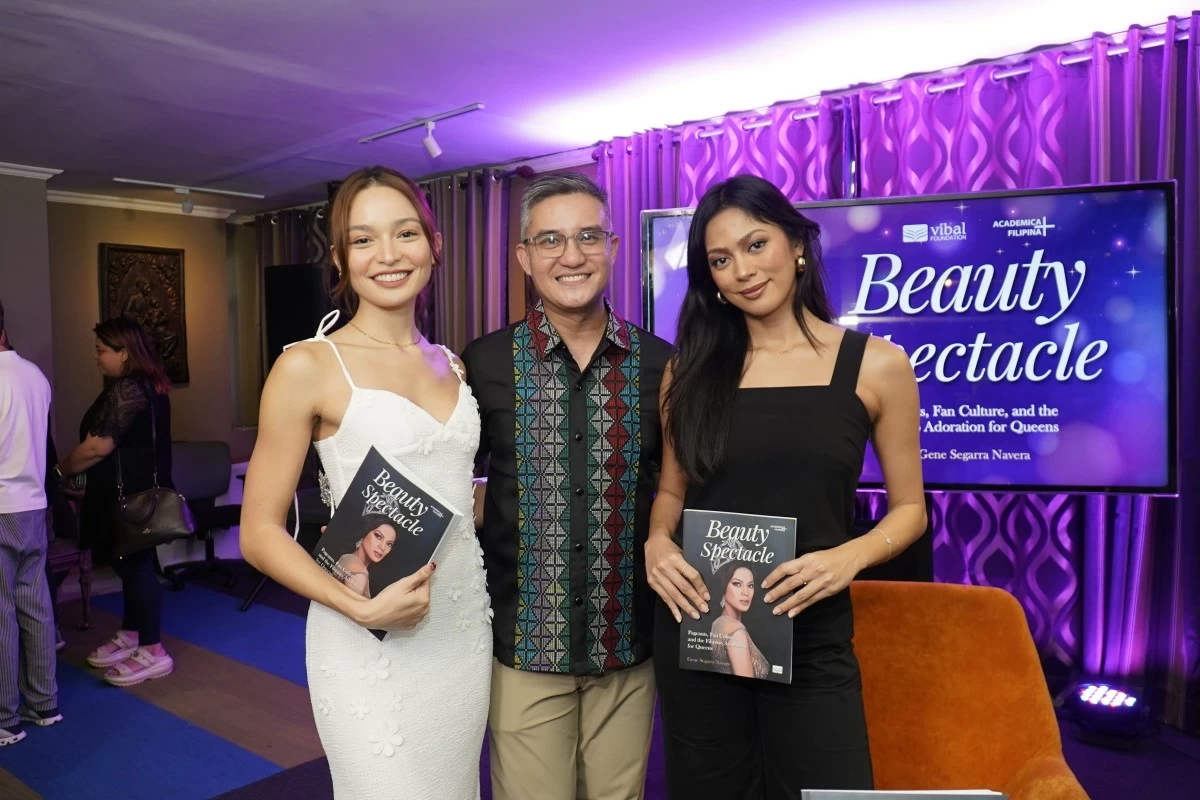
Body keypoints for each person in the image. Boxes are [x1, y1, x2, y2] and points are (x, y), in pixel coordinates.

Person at [645, 174, 927, 797]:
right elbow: (671, 492)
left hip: (813, 623)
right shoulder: (687, 373)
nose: (741, 270)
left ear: (796, 242)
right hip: (699, 625)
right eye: (720, 259)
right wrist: (658, 543)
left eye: (755, 245)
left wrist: (847, 558)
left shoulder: (877, 364)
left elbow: (911, 510)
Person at [239, 166, 491, 799]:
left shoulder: (453, 365)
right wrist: (361, 605)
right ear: (340, 258)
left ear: (434, 244)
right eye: (363, 239)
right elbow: (258, 533)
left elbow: (457, 496)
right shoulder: (308, 365)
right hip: (363, 629)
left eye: (405, 233)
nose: (387, 255)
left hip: (460, 627)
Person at [462, 173, 672, 800]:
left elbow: (679, 491)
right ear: (525, 258)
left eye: (587, 236)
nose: (571, 255)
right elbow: (455, 482)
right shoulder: (483, 363)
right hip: (526, 643)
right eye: (550, 240)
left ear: (612, 247)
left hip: (627, 642)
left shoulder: (663, 365)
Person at [56, 317, 175, 688]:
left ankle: (154, 650)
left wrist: (58, 473)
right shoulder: (145, 384)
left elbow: (97, 446)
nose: (97, 357)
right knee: (129, 564)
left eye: (101, 350)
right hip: (133, 494)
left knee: (136, 567)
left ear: (123, 354)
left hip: (132, 499)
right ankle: (133, 633)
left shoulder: (130, 389)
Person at [0, 301, 62, 745]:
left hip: (1, 507)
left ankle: (5, 718)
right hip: (34, 505)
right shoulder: (35, 376)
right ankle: (44, 705)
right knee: (35, 606)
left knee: (2, 613)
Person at [709, 562, 767, 679]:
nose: (746, 592)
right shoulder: (735, 629)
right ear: (723, 587)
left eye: (750, 585)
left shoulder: (719, 623)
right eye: (737, 584)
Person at [334, 516, 398, 598]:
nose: (382, 547)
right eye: (378, 536)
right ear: (365, 532)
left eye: (389, 544)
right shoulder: (360, 573)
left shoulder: (347, 558)